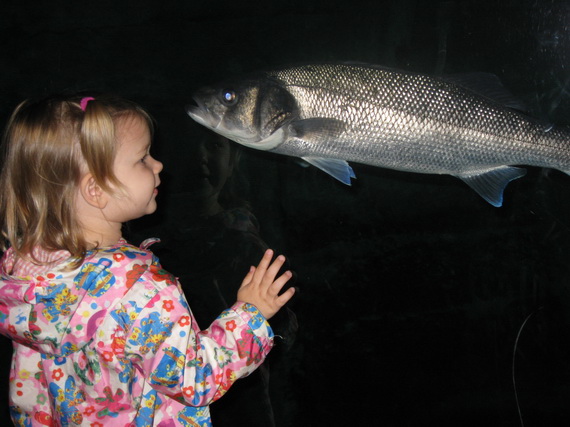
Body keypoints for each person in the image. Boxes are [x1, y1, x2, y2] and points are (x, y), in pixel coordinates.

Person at [0, 94, 295, 426]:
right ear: (96, 188)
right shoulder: (142, 293)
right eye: (143, 158)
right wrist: (250, 315)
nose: (158, 166)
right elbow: (194, 378)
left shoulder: (24, 271)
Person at [129, 124, 298, 426]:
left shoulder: (245, 242)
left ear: (234, 160)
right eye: (193, 146)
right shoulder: (143, 243)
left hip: (239, 394)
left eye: (216, 147)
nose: (202, 157)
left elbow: (283, 329)